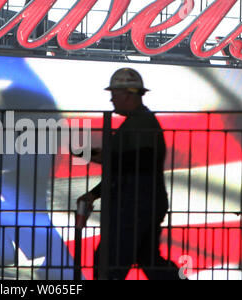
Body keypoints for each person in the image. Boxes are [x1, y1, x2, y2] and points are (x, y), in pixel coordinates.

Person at [77, 68, 181, 280]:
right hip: (141, 205)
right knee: (152, 262)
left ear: (128, 94)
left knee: (109, 262)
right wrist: (94, 193)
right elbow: (125, 166)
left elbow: (139, 161)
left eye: (114, 93)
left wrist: (105, 157)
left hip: (133, 208)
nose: (111, 99)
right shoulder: (138, 122)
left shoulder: (140, 124)